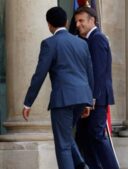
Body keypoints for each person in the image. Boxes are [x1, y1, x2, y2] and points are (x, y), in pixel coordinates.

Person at [22, 7, 93, 169]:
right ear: (67, 22)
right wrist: (89, 101)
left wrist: (28, 103)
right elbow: (90, 73)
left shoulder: (49, 43)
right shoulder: (82, 43)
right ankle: (82, 165)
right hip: (82, 97)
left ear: (49, 25)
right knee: (66, 135)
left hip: (63, 99)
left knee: (63, 145)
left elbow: (39, 75)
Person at [74, 7, 119, 169]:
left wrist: (91, 100)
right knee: (83, 137)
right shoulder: (88, 39)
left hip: (96, 99)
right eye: (76, 21)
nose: (78, 25)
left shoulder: (97, 38)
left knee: (96, 136)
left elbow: (98, 72)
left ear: (92, 20)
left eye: (81, 21)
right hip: (89, 98)